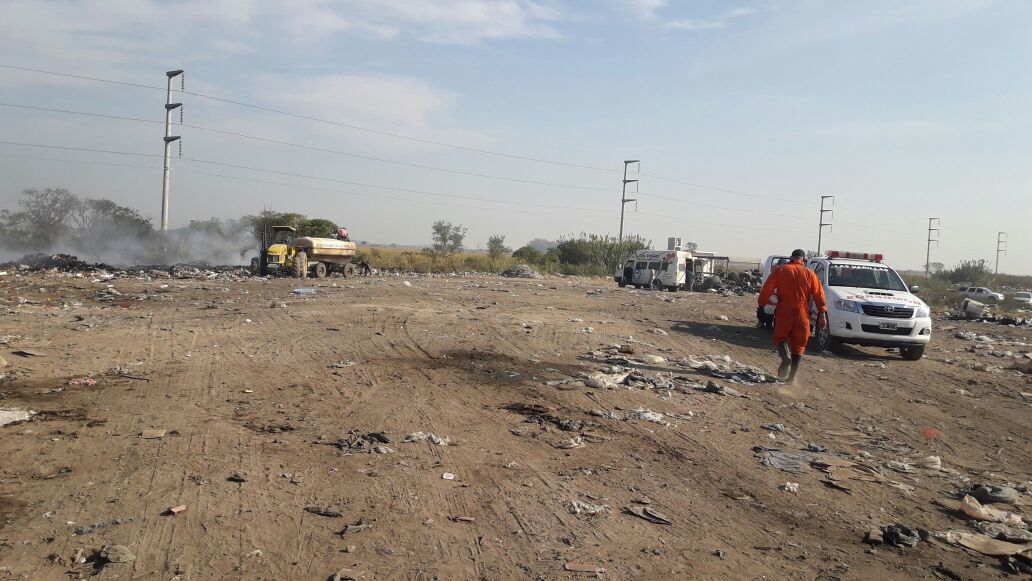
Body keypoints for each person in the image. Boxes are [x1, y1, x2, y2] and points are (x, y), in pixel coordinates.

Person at [757, 249, 827, 384]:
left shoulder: (780, 271)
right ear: (804, 261)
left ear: (791, 258)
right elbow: (819, 295)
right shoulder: (810, 273)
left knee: (780, 337)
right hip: (802, 313)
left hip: (784, 310)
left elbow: (767, 289)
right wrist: (822, 314)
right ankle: (791, 377)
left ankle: (785, 356)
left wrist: (761, 304)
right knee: (799, 344)